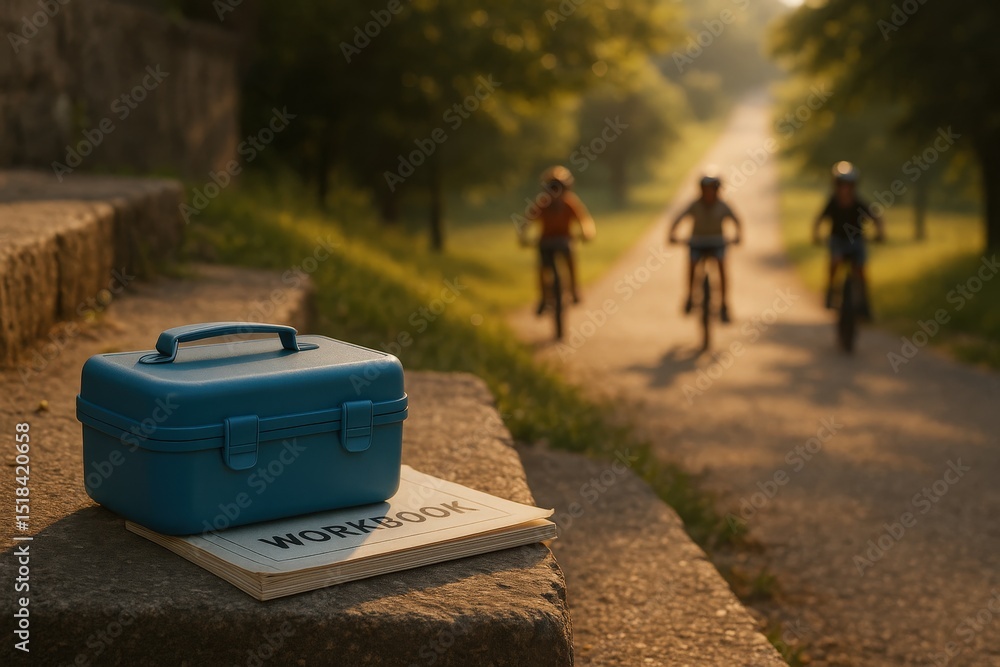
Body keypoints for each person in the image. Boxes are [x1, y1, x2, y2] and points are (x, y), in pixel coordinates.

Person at [812, 161, 885, 319]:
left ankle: (864, 305)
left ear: (853, 186)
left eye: (848, 185)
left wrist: (880, 233)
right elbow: (819, 219)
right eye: (841, 185)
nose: (844, 189)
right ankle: (831, 291)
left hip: (856, 241)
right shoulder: (832, 202)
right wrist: (815, 235)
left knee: (860, 271)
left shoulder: (859, 203)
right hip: (837, 241)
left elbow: (876, 217)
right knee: (835, 261)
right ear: (836, 186)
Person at [668, 171, 742, 324]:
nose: (709, 193)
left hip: (717, 242)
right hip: (697, 242)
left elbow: (736, 220)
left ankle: (724, 304)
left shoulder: (722, 205)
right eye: (706, 190)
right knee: (692, 264)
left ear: (717, 190)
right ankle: (690, 295)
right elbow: (679, 218)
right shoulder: (694, 205)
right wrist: (672, 234)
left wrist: (738, 236)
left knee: (722, 267)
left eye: (712, 190)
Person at [523, 166, 595, 315]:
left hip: (564, 240)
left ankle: (574, 290)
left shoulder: (570, 203)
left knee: (570, 260)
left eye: (559, 188)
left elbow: (584, 220)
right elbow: (527, 220)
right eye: (552, 188)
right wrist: (522, 235)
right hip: (546, 241)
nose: (556, 192)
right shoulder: (542, 204)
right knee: (543, 269)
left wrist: (587, 233)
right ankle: (543, 297)